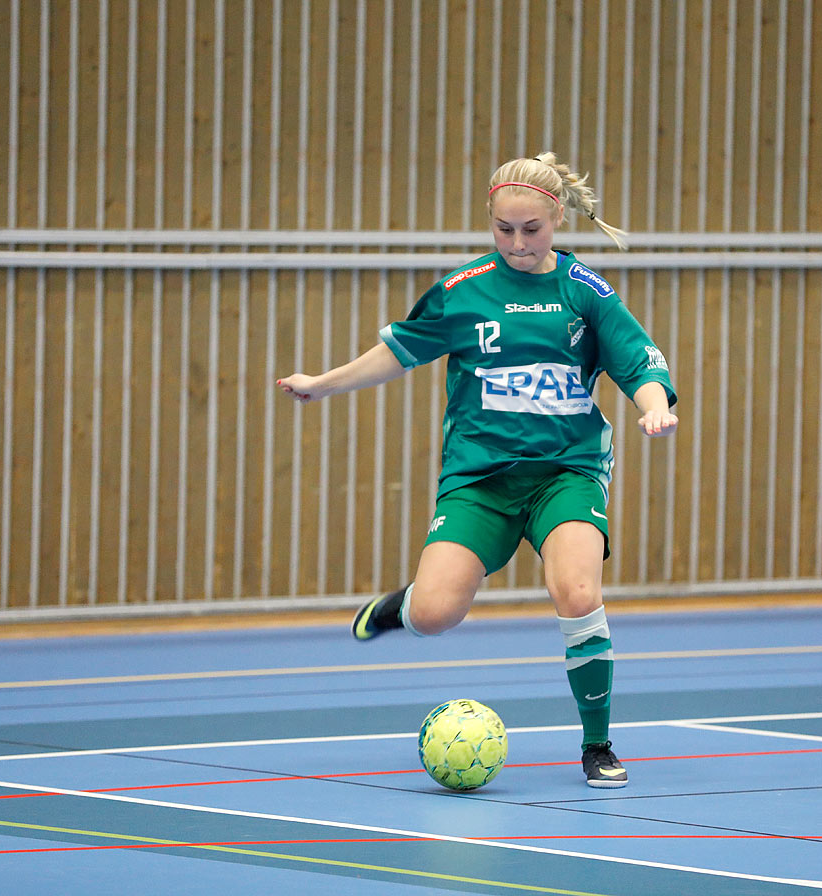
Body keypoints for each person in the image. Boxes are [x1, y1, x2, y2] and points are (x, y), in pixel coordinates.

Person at [277, 152, 678, 788]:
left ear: (557, 222)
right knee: (437, 612)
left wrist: (654, 409)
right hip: (480, 478)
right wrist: (323, 385)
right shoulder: (464, 292)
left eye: (531, 230)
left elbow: (640, 364)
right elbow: (395, 352)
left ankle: (597, 744)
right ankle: (398, 608)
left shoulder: (586, 292)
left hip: (564, 471)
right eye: (503, 229)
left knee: (577, 590)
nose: (517, 243)